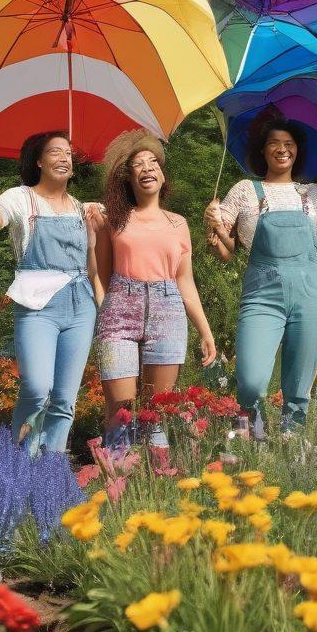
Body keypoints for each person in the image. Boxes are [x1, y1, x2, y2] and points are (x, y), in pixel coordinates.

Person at [0, 131, 101, 453]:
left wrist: (93, 237)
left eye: (69, 154)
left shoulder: (81, 208)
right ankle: (21, 462)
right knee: (36, 388)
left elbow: (92, 263)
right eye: (55, 152)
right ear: (39, 161)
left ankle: (50, 469)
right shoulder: (22, 198)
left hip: (80, 305)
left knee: (64, 399)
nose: (64, 158)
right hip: (38, 306)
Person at [204, 115, 317, 434]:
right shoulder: (245, 190)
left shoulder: (315, 194)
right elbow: (226, 252)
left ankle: (289, 445)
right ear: (262, 150)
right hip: (261, 297)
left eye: (289, 143)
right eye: (274, 143)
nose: (282, 149)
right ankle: (255, 439)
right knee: (252, 381)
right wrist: (215, 225)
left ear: (297, 150)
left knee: (299, 388)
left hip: (311, 296)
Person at [94, 131, 217, 448]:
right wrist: (105, 307)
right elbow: (99, 273)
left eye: (153, 163)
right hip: (120, 309)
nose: (147, 168)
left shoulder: (179, 224)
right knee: (120, 412)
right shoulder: (114, 220)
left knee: (155, 413)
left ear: (163, 177)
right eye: (138, 164)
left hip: (168, 311)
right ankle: (115, 491)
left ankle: (157, 488)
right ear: (128, 177)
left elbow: (184, 281)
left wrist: (205, 332)